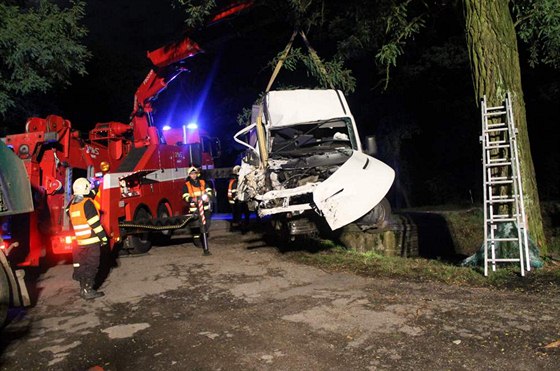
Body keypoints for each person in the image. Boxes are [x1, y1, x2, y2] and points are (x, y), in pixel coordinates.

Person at [68, 177, 108, 300]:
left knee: (83, 265)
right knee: (92, 266)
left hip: (80, 242)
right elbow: (95, 223)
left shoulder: (72, 205)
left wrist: (95, 188)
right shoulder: (88, 203)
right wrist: (104, 238)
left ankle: (83, 288)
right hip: (92, 241)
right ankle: (88, 290)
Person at [182, 167, 213, 250]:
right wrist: (192, 199)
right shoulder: (187, 185)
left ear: (197, 174)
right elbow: (185, 196)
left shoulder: (202, 182)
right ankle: (197, 241)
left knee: (207, 224)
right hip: (194, 209)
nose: (193, 175)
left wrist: (208, 196)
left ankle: (203, 238)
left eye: (195, 173)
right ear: (189, 175)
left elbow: (209, 190)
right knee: (196, 226)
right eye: (192, 174)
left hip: (205, 207)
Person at [227, 165, 250, 231]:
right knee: (241, 213)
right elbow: (234, 192)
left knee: (239, 213)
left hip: (235, 201)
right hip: (236, 201)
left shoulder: (233, 181)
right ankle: (241, 225)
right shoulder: (235, 182)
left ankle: (241, 223)